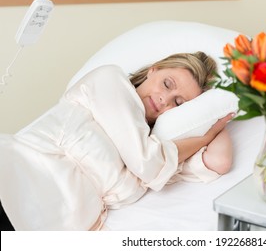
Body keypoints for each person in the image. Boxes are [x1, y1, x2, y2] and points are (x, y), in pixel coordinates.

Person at [0, 51, 233, 231]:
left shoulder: (162, 149)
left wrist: (216, 117)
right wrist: (205, 137)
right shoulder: (109, 81)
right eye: (167, 84)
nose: (164, 100)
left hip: (44, 229)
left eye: (179, 103)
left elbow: (219, 161)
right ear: (154, 70)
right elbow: (147, 163)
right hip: (12, 186)